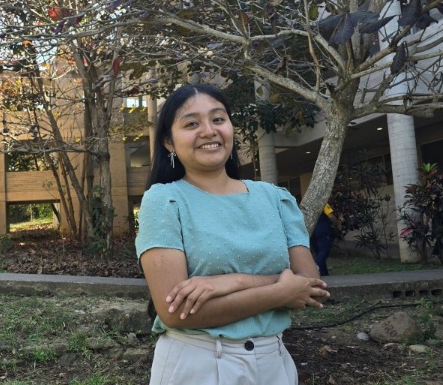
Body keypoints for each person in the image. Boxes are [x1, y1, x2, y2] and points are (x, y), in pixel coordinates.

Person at [135, 84, 329, 385]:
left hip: (274, 363)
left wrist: (230, 282)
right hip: (197, 364)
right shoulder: (164, 200)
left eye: (218, 119)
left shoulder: (275, 198)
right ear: (169, 142)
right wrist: (280, 292)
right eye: (191, 124)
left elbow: (311, 286)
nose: (208, 131)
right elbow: (175, 312)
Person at [310, 203, 338, 276]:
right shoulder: (323, 203)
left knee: (318, 251)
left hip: (312, 229)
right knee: (324, 250)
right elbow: (330, 216)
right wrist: (337, 222)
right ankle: (316, 266)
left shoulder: (309, 203)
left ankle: (323, 273)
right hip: (322, 228)